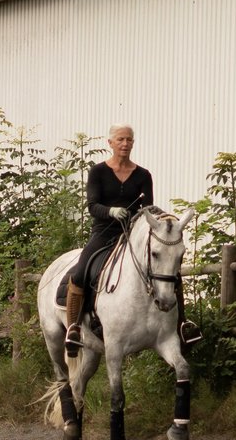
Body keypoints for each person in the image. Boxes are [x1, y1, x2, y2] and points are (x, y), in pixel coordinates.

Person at [64, 124, 202, 356]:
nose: (125, 144)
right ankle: (74, 328)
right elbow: (92, 206)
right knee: (80, 273)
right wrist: (110, 212)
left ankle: (182, 325)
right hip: (104, 232)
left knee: (171, 273)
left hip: (134, 235)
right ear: (110, 143)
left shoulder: (143, 175)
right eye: (120, 139)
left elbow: (147, 207)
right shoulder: (97, 172)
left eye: (129, 140)